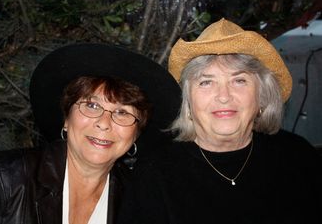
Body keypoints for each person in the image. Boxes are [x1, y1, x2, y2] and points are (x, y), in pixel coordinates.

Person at [117, 18, 322, 224]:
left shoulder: (299, 158)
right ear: (187, 102)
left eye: (239, 80)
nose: (224, 96)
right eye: (206, 82)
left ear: (262, 96)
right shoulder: (155, 173)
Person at [0, 43, 181, 224]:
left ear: (136, 133)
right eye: (91, 105)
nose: (104, 123)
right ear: (65, 118)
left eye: (122, 112)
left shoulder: (140, 201)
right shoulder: (4, 179)